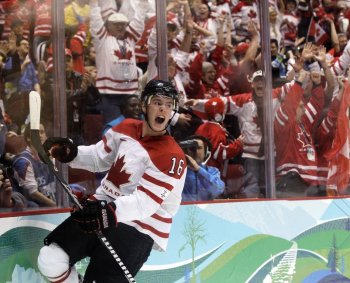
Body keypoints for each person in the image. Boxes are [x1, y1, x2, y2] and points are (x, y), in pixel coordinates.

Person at [37, 80, 187, 282]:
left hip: (140, 227)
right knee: (50, 260)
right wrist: (70, 153)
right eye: (157, 102)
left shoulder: (172, 157)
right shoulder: (125, 128)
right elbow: (99, 157)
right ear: (144, 105)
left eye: (169, 105)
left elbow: (145, 204)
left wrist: (107, 212)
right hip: (102, 210)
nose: (163, 108)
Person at [12, 123, 56, 207]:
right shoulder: (23, 161)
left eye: (42, 132)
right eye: (36, 133)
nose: (39, 135)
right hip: (36, 213)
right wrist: (58, 206)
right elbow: (33, 193)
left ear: (46, 136)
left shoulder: (51, 157)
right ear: (28, 138)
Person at [181, 135, 225, 202]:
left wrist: (199, 170)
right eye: (192, 148)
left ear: (206, 152)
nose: (196, 151)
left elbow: (217, 190)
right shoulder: (179, 170)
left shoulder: (213, 171)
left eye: (199, 148)